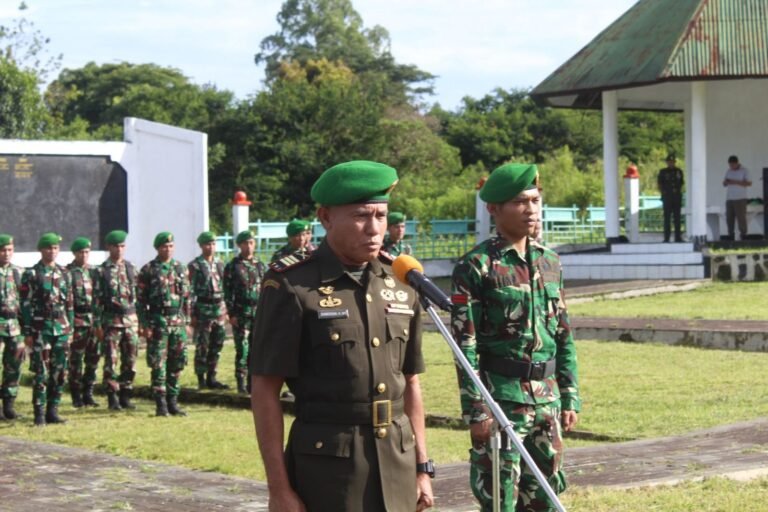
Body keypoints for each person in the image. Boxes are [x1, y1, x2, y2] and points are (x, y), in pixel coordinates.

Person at [250, 160, 434, 512]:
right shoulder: (292, 285)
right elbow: (265, 389)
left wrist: (422, 468)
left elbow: (410, 382)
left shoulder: (400, 281)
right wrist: (279, 489)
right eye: (361, 216)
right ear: (325, 217)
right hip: (329, 469)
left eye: (381, 215)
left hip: (398, 458)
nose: (374, 228)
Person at [450, 163, 580, 511]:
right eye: (520, 202)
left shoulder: (550, 262)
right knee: (500, 499)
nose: (531, 209)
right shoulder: (476, 266)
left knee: (547, 497)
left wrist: (570, 394)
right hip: (501, 400)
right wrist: (477, 410)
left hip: (547, 399)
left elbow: (563, 334)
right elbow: (465, 345)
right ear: (494, 209)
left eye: (535, 200)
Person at [20, 232, 74, 426]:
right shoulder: (32, 274)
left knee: (60, 372)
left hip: (61, 329)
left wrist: (71, 329)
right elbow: (25, 305)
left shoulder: (64, 273)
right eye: (49, 248)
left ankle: (53, 410)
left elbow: (69, 304)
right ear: (41, 250)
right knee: (41, 372)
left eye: (55, 248)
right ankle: (39, 413)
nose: (52, 252)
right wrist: (27, 332)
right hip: (41, 329)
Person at [137, 232, 191, 417]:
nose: (167, 249)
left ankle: (173, 402)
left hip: (178, 322)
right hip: (158, 321)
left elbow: (187, 298)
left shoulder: (180, 268)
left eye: (170, 246)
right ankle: (161, 404)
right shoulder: (149, 270)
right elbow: (140, 301)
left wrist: (188, 321)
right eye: (163, 247)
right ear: (157, 248)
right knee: (158, 364)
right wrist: (145, 324)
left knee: (177, 363)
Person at [93, 230, 140, 411]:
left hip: (130, 320)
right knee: (111, 361)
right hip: (111, 321)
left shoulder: (131, 268)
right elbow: (96, 300)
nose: (119, 250)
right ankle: (112, 396)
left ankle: (126, 394)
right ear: (109, 247)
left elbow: (139, 298)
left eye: (122, 246)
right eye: (116, 246)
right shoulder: (101, 271)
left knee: (130, 359)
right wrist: (97, 324)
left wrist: (141, 321)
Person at [223, 230, 265, 394]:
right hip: (241, 312)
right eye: (245, 243)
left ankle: (252, 382)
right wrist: (231, 313)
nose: (249, 246)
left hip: (258, 312)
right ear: (239, 245)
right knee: (242, 348)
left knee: (256, 349)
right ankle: (240, 381)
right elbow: (227, 291)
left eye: (251, 243)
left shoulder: (260, 265)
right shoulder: (233, 266)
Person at [188, 231, 229, 390]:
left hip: (218, 308)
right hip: (203, 309)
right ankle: (201, 378)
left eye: (213, 244)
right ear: (201, 246)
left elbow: (225, 287)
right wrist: (192, 314)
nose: (210, 247)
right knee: (202, 345)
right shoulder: (195, 266)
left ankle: (212, 376)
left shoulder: (220, 264)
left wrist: (226, 310)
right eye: (207, 244)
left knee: (217, 344)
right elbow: (189, 291)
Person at [66, 237, 100, 408]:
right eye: (81, 252)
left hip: (93, 320)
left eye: (87, 252)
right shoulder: (68, 272)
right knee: (76, 360)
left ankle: (88, 393)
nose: (84, 255)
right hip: (78, 321)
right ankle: (76, 394)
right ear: (74, 253)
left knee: (93, 359)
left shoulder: (95, 272)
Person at [0, 234, 25, 420]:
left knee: (14, 366)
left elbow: (25, 302)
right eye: (3, 250)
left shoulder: (19, 272)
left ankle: (9, 405)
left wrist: (26, 330)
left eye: (9, 250)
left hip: (14, 327)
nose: (6, 253)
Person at [722, 155, 752, 240]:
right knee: (729, 217)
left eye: (732, 165)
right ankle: (730, 234)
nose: (731, 167)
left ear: (737, 163)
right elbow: (725, 183)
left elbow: (749, 183)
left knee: (741, 217)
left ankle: (743, 234)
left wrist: (734, 182)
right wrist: (725, 182)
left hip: (740, 198)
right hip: (729, 198)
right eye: (730, 165)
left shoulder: (744, 170)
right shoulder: (729, 171)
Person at [657, 154, 684, 242]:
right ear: (667, 162)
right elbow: (660, 184)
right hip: (667, 197)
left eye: (672, 162)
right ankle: (666, 238)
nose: (671, 163)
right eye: (669, 162)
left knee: (677, 218)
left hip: (676, 197)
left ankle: (678, 237)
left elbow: (681, 183)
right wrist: (664, 193)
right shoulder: (663, 172)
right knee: (667, 218)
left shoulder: (678, 171)